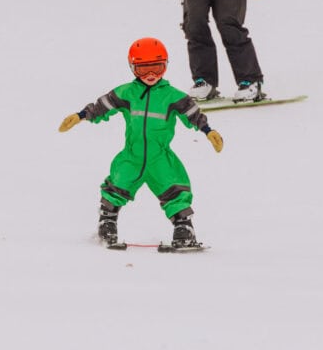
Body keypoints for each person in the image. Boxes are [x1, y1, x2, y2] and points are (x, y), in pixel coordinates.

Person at [57, 37, 224, 249]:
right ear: (133, 68)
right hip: (132, 155)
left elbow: (193, 114)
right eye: (143, 70)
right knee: (117, 184)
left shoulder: (172, 96)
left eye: (157, 68)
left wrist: (208, 131)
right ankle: (107, 222)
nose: (151, 75)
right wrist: (80, 116)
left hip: (160, 156)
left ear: (165, 66)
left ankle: (184, 227)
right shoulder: (127, 93)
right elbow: (102, 106)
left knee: (175, 187)